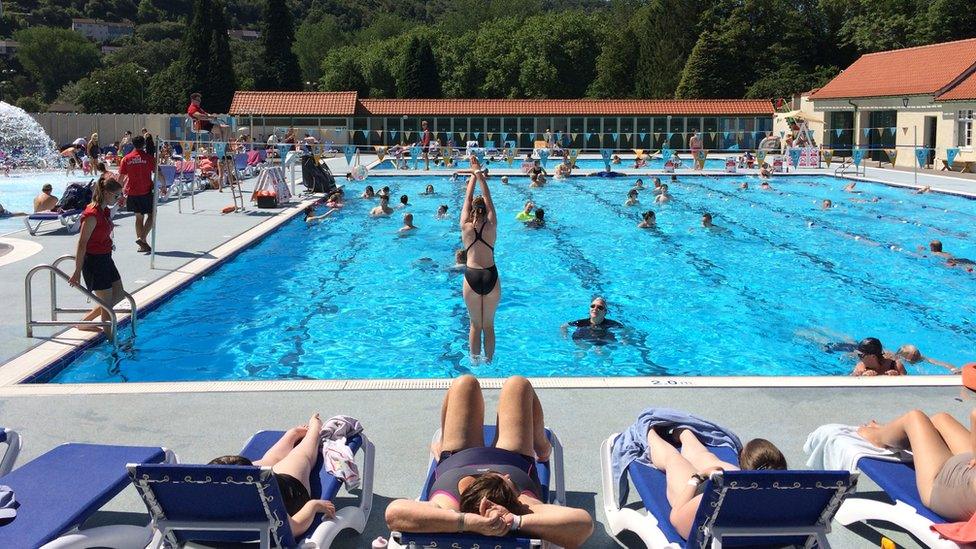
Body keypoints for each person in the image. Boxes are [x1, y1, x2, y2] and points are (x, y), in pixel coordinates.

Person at [385, 376, 594, 549]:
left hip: (458, 457)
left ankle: (441, 441)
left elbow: (394, 513)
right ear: (515, 498)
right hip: (513, 457)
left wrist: (466, 522)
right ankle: (542, 446)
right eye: (507, 482)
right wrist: (514, 521)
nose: (508, 477)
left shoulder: (449, 505)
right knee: (518, 384)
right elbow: (583, 524)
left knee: (464, 383)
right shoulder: (524, 507)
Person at [210, 413, 338, 538]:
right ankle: (314, 429)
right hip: (286, 490)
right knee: (300, 456)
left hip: (251, 487)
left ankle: (293, 434)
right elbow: (295, 528)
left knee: (266, 463)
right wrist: (314, 505)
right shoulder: (263, 502)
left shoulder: (201, 497)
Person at [648, 427, 787, 540]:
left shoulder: (717, 498)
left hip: (710, 518)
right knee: (711, 463)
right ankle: (685, 434)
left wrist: (697, 478)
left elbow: (676, 518)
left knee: (674, 460)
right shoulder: (797, 496)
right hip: (752, 521)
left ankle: (650, 432)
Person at [857, 409, 976, 522]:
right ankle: (899, 434)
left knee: (914, 418)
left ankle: (880, 437)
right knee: (941, 420)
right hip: (968, 469)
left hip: (942, 484)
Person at [68, 177, 125, 337]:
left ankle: (84, 322)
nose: (119, 199)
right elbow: (82, 243)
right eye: (116, 196)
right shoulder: (92, 214)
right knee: (107, 304)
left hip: (106, 258)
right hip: (94, 261)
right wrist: (77, 271)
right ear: (106, 193)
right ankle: (111, 342)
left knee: (119, 294)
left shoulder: (104, 210)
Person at [460, 156, 500, 362]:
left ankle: (475, 364)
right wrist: (479, 174)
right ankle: (490, 362)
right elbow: (488, 198)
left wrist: (472, 174)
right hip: (491, 275)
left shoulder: (466, 227)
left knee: (475, 325)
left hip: (472, 275)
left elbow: (467, 200)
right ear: (486, 210)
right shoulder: (492, 226)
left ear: (473, 212)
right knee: (488, 325)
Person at [119, 135, 157, 253]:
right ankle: (142, 239)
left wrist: (119, 193)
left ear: (133, 144)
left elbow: (120, 178)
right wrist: (164, 184)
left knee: (138, 218)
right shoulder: (149, 158)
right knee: (152, 215)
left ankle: (142, 246)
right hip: (146, 191)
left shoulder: (126, 158)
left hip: (132, 192)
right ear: (144, 144)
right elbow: (157, 172)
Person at [560, 297, 624, 345]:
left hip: (602, 339)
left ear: (605, 312)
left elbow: (626, 329)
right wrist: (565, 336)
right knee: (581, 353)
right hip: (583, 338)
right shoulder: (581, 322)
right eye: (592, 306)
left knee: (603, 353)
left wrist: (624, 339)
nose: (595, 309)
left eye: (600, 307)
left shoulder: (611, 323)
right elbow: (563, 326)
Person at [895, 344, 960, 374]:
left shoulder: (921, 358)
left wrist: (953, 368)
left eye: (917, 357)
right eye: (914, 358)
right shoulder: (897, 359)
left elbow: (939, 362)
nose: (917, 359)